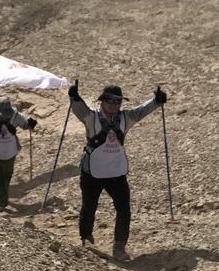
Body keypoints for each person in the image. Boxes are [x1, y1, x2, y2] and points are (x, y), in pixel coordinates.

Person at [67, 80, 167, 259]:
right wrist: (74, 97)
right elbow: (80, 110)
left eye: (117, 101)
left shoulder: (125, 118)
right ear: (102, 101)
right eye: (110, 100)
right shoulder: (91, 117)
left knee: (124, 209)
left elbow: (141, 111)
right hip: (92, 172)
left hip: (116, 172)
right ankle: (86, 239)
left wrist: (156, 101)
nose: (114, 105)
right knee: (89, 206)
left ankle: (119, 247)